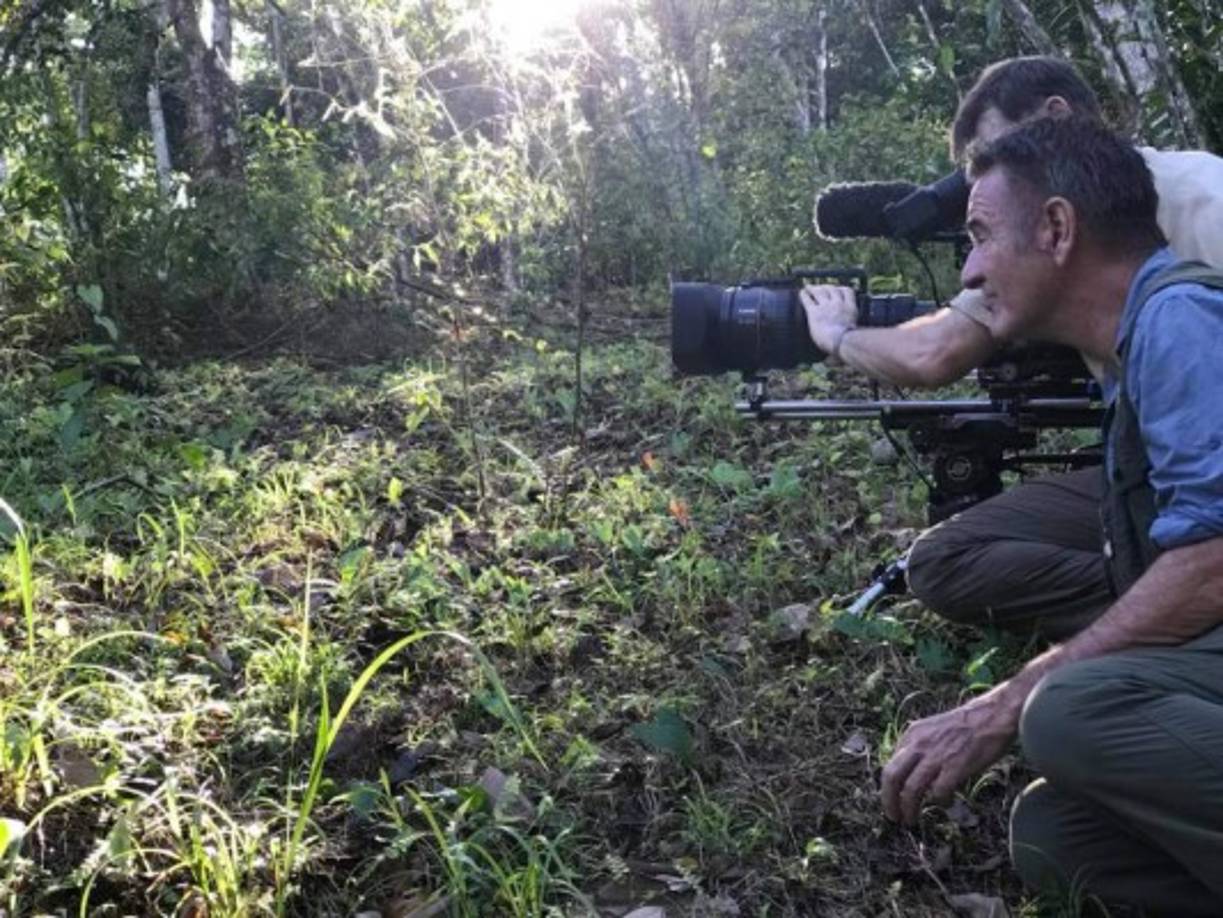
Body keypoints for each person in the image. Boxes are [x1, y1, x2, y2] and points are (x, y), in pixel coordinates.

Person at [881, 115, 1223, 914]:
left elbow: (1212, 562)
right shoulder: (1138, 340)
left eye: (979, 233)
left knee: (1068, 712)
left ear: (1057, 228)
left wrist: (999, 705)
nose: (967, 269)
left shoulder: (1182, 321)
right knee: (1055, 835)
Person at [802, 56, 1223, 641]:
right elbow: (935, 351)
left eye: (1003, 149)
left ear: (1058, 117)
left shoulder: (1204, 194)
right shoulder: (1033, 241)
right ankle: (1170, 603)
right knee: (943, 559)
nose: (990, 181)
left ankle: (1183, 607)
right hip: (1156, 472)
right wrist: (840, 336)